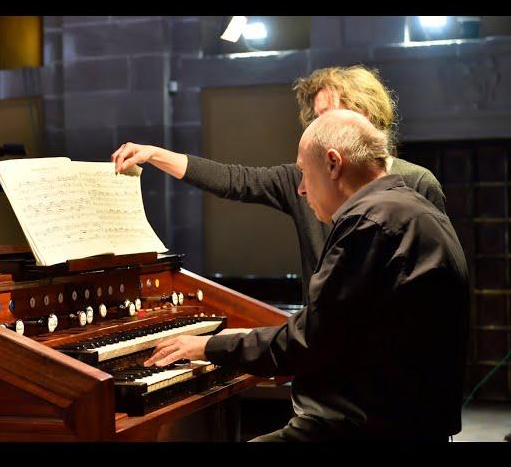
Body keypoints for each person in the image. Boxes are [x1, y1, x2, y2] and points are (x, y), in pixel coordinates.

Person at [143, 109, 470, 441]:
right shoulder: (411, 207)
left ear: (332, 163)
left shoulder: (370, 223)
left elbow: (306, 342)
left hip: (365, 427)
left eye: (303, 172)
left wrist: (209, 346)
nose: (300, 188)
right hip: (405, 419)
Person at [111, 65, 446, 304]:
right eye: (315, 117)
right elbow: (235, 180)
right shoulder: (303, 180)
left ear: (365, 114)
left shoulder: (417, 183)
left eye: (328, 113)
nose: (318, 125)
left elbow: (434, 288)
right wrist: (155, 154)